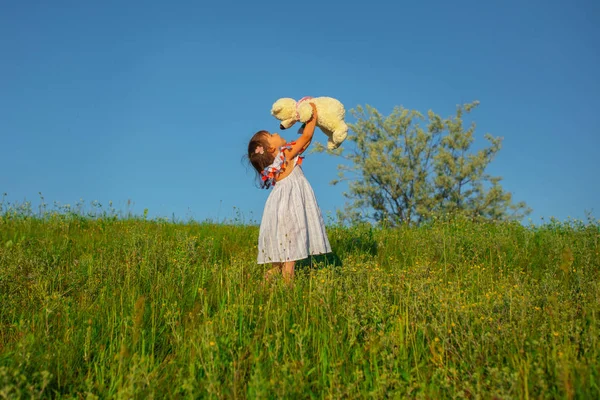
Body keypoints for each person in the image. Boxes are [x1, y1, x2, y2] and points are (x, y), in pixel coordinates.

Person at [247, 103, 331, 284]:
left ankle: (263, 284)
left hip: (280, 207)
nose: (276, 133)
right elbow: (307, 136)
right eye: (271, 136)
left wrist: (309, 123)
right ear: (271, 149)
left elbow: (305, 141)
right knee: (290, 257)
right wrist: (313, 115)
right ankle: (288, 291)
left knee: (281, 259)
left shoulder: (280, 162)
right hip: (290, 208)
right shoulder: (285, 157)